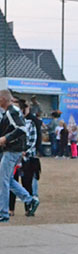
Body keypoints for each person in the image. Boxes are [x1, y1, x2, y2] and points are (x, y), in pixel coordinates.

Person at [0, 90, 39, 222]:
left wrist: (5, 138)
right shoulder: (10, 113)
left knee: (3, 180)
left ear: (3, 99)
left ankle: (3, 213)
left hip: (12, 150)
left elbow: (22, 129)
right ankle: (29, 200)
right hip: (12, 150)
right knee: (7, 179)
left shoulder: (11, 112)